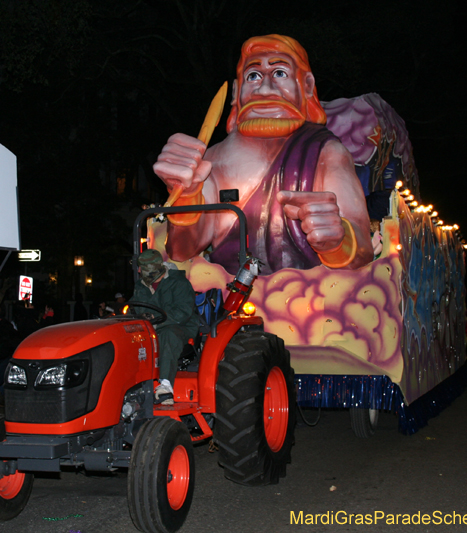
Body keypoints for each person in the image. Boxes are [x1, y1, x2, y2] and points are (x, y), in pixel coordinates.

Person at [153, 34, 373, 275]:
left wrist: (337, 242)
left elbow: (362, 249)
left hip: (310, 300)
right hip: (230, 299)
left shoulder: (325, 152)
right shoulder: (212, 160)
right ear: (237, 91)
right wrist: (185, 196)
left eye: (280, 73)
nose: (265, 88)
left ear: (307, 85)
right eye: (253, 76)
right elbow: (181, 251)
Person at [132, 249, 200, 405]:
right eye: (140, 268)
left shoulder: (179, 283)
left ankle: (165, 386)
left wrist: (155, 320)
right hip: (150, 328)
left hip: (180, 327)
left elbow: (182, 312)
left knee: (167, 335)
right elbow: (135, 307)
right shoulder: (140, 286)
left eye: (143, 269)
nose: (139, 271)